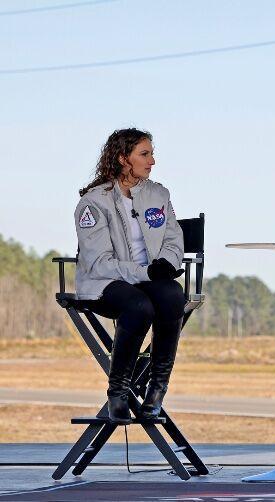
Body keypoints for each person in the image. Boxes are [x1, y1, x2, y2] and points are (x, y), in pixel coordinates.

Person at [75, 128, 186, 424]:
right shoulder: (93, 202)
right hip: (104, 284)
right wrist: (144, 271)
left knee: (174, 294)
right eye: (145, 154)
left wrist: (167, 264)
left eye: (151, 153)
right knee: (138, 307)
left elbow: (174, 239)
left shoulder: (159, 193)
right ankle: (119, 393)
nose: (153, 161)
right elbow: (99, 262)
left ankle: (156, 390)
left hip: (148, 279)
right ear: (124, 158)